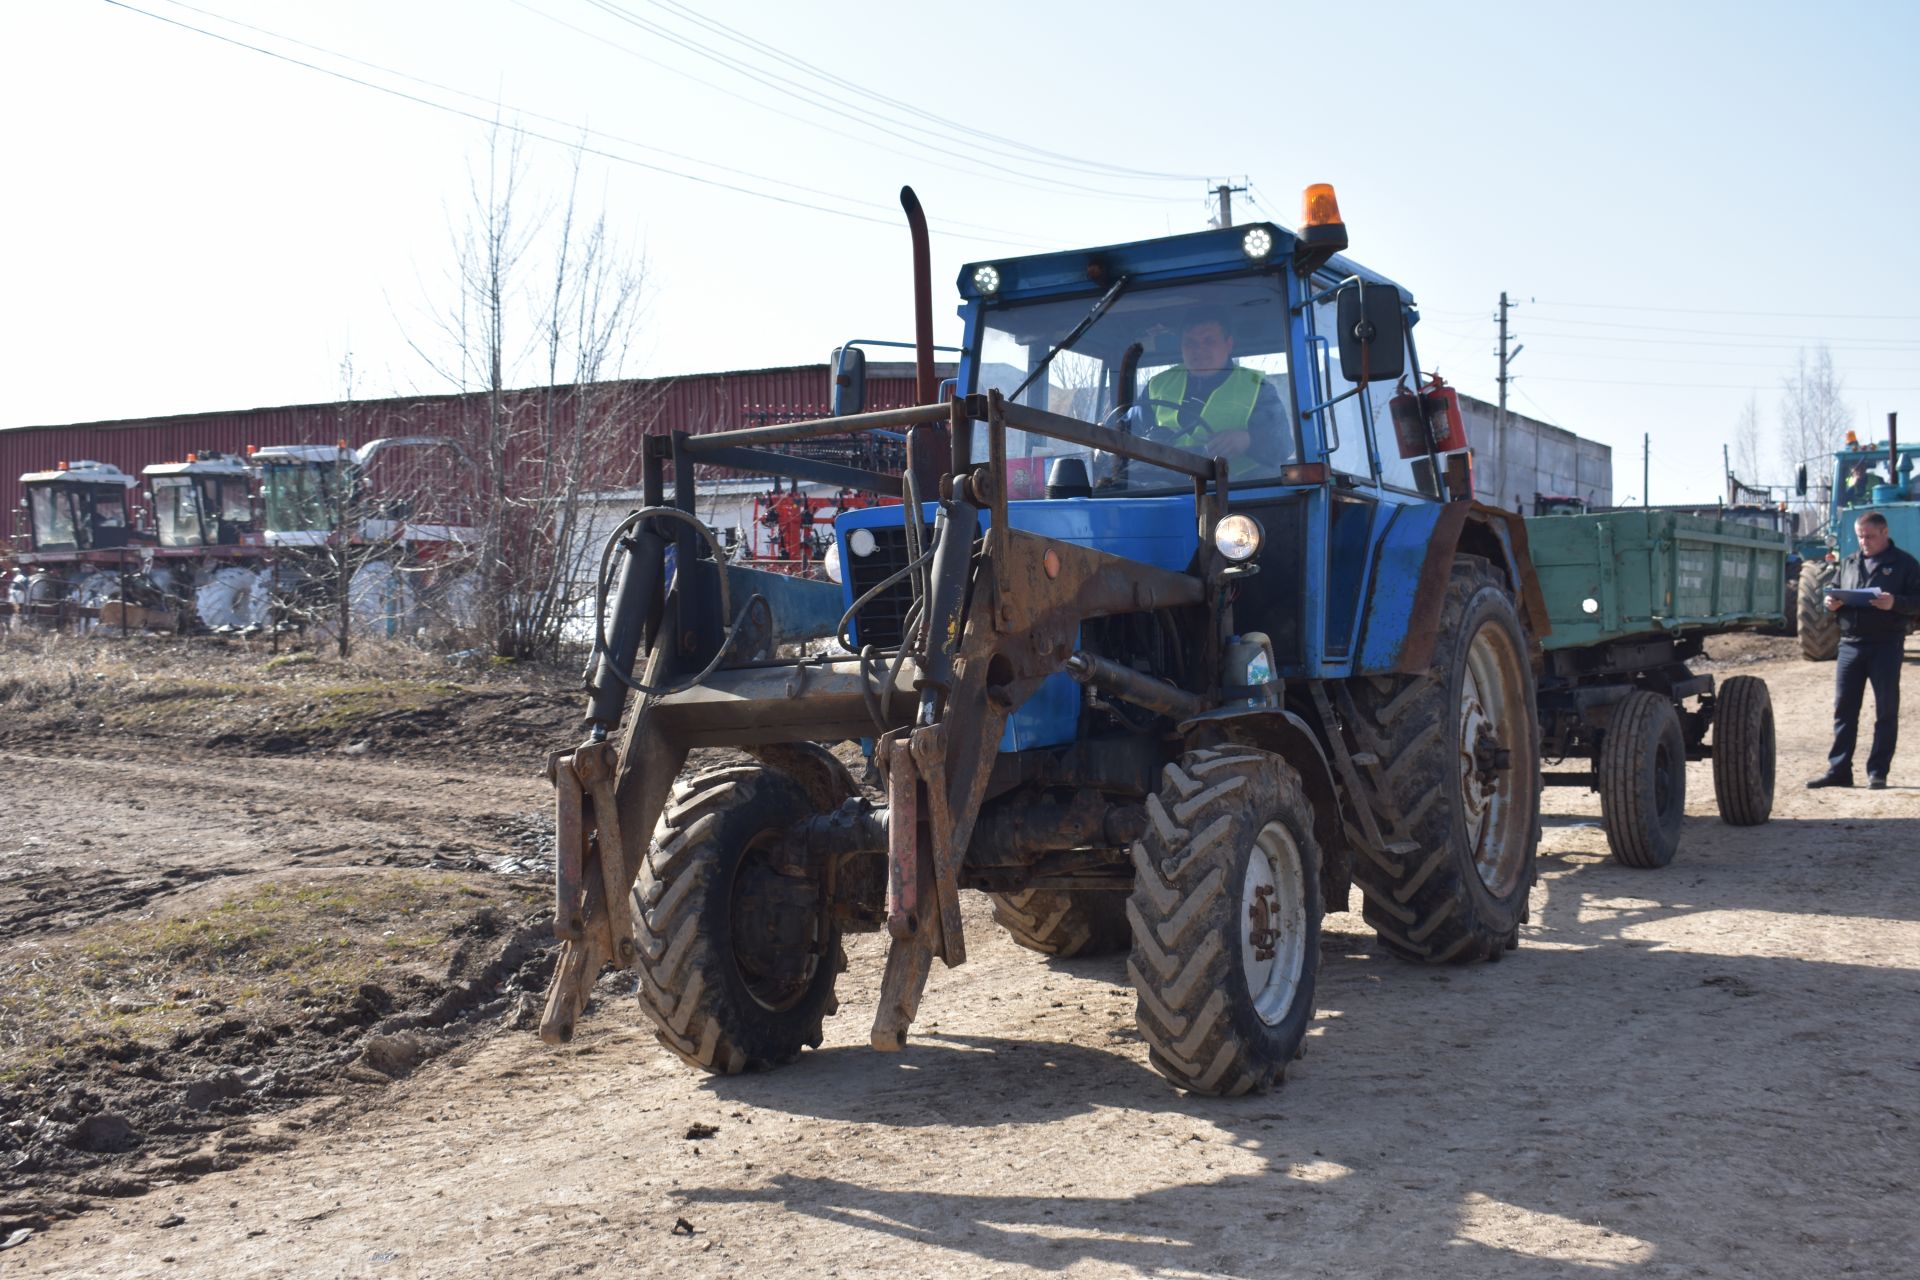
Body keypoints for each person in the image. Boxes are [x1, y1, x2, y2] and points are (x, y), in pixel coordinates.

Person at [1808, 510, 1920, 789]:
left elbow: (1918, 601)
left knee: (1885, 710)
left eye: (1869, 536)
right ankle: (1839, 770)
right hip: (1850, 645)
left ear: (1884, 532)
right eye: (1860, 536)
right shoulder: (1848, 563)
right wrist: (1830, 603)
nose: (1864, 542)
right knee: (1844, 710)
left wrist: (1894, 603)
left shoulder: (1905, 564)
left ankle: (1877, 772)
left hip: (1886, 644)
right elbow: (1833, 591)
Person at [1143, 313, 1289, 468]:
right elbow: (1125, 431)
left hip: (1239, 486)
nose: (1198, 350)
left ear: (1229, 344)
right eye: (1190, 343)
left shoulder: (1257, 389)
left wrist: (1248, 440)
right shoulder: (1158, 385)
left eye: (1209, 341)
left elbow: (1282, 445)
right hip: (1164, 486)